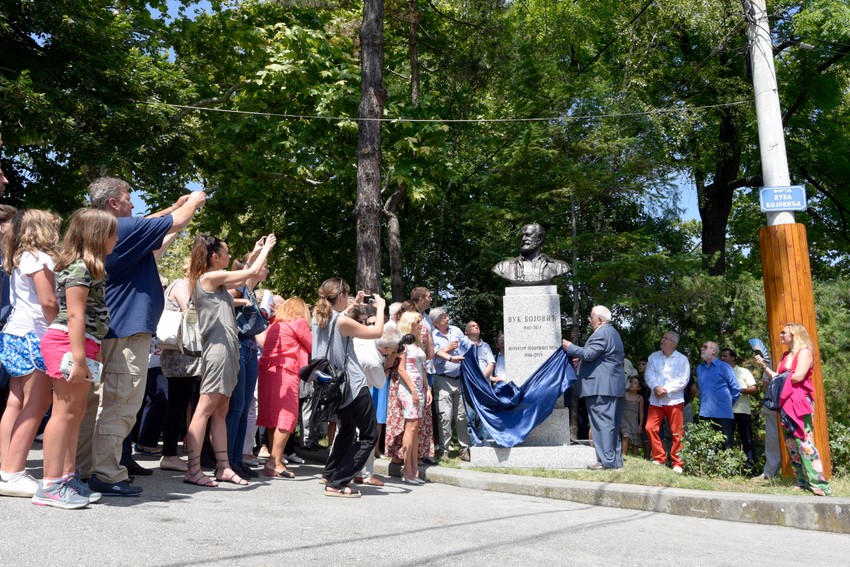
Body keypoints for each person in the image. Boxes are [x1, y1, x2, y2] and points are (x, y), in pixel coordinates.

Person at [82, 177, 206, 497]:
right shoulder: (121, 229)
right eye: (127, 198)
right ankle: (107, 474)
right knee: (120, 404)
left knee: (95, 404)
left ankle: (85, 467)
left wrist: (174, 208)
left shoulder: (102, 232)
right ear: (113, 204)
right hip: (126, 334)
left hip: (107, 332)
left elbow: (160, 228)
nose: (133, 204)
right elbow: (174, 222)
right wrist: (194, 200)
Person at [35, 209, 118, 508]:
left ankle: (67, 478)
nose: (116, 239)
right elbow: (74, 314)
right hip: (70, 344)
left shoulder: (91, 268)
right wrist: (79, 357)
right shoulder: (80, 268)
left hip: (84, 345)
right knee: (64, 414)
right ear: (97, 236)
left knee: (75, 414)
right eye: (112, 233)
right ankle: (50, 485)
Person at [182, 234, 276, 488]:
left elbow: (246, 277)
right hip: (217, 351)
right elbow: (250, 274)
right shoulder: (209, 278)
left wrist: (255, 252)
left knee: (221, 411)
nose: (228, 255)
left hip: (229, 351)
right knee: (204, 410)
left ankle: (223, 468)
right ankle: (193, 469)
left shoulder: (219, 284)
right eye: (225, 252)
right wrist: (265, 250)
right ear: (214, 256)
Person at [0, 210, 60, 498]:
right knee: (36, 404)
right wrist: (62, 325)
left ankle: (6, 466)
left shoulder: (20, 257)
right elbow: (48, 301)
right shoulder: (40, 259)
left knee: (15, 402)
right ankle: (13, 474)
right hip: (34, 335)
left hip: (14, 332)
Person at [313, 278, 385, 498]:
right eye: (349, 294)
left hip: (333, 384)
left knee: (346, 429)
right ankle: (337, 483)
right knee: (369, 435)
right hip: (351, 384)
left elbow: (339, 318)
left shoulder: (319, 318)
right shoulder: (342, 322)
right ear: (342, 295)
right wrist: (380, 308)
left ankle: (330, 472)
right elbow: (377, 332)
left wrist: (354, 305)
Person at [755, 323, 831, 496]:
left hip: (799, 401)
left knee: (804, 442)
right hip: (784, 401)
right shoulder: (785, 355)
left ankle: (819, 483)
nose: (781, 335)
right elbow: (777, 377)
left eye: (784, 333)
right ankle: (802, 481)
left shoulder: (804, 352)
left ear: (795, 334)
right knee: (791, 443)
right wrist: (763, 367)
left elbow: (798, 376)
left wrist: (781, 377)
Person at [562, 306, 625, 470]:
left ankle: (605, 462)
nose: (589, 320)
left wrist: (570, 348)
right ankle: (614, 460)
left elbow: (589, 354)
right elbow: (600, 359)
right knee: (611, 425)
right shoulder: (612, 332)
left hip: (601, 388)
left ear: (600, 320)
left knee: (601, 425)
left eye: (591, 317)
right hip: (611, 387)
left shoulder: (602, 333)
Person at [226, 249, 270, 480]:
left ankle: (237, 458)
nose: (267, 267)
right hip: (239, 348)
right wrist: (261, 251)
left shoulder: (251, 290)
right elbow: (224, 298)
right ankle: (228, 461)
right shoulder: (240, 285)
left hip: (251, 350)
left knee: (243, 409)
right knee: (236, 408)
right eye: (264, 263)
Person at [256, 297, 311, 479]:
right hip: (286, 372)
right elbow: (313, 345)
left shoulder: (275, 325)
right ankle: (275, 462)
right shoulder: (298, 323)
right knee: (286, 419)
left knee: (274, 419)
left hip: (268, 372)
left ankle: (274, 460)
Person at [644, 331, 689, 473]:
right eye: (663, 337)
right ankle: (659, 458)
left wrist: (666, 389)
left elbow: (684, 379)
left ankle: (678, 463)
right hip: (656, 399)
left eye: (666, 338)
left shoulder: (682, 359)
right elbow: (648, 374)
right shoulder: (653, 356)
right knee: (650, 427)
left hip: (674, 400)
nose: (662, 340)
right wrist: (656, 387)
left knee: (677, 432)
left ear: (674, 343)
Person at [430, 307, 472, 461]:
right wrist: (447, 349)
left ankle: (464, 449)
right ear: (436, 322)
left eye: (447, 317)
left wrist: (472, 345)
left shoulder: (455, 330)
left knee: (462, 416)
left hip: (460, 379)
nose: (447, 319)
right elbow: (432, 359)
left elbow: (467, 345)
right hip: (442, 379)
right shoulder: (432, 335)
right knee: (445, 416)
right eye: (444, 317)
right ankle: (444, 450)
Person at [396, 311, 430, 484]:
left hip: (419, 389)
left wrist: (427, 388)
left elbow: (422, 368)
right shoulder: (404, 343)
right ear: (410, 324)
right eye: (418, 322)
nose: (421, 325)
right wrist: (413, 390)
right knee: (411, 426)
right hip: (408, 389)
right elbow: (401, 369)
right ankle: (407, 469)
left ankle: (413, 469)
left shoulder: (417, 344)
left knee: (415, 426)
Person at [695, 341, 740, 449]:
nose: (702, 349)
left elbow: (736, 389)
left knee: (725, 447)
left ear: (714, 351)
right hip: (705, 413)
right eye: (702, 346)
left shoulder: (724, 367)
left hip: (723, 414)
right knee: (707, 447)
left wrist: (727, 404)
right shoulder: (700, 368)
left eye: (705, 347)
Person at [492, 223, 570, 286]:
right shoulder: (503, 266)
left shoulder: (560, 266)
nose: (523, 239)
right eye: (522, 236)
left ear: (539, 239)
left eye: (528, 235)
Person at [720, 348, 758, 470]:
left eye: (725, 356)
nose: (722, 359)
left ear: (733, 358)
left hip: (742, 411)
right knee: (726, 440)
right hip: (725, 412)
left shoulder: (743, 371)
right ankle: (727, 467)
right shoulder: (719, 372)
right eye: (722, 356)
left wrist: (738, 390)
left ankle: (751, 466)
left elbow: (754, 389)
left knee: (747, 439)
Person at [620, 377, 644, 457]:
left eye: (635, 383)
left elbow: (641, 412)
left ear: (639, 388)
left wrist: (640, 425)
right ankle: (623, 455)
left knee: (635, 440)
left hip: (633, 421)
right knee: (625, 435)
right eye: (631, 382)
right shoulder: (624, 394)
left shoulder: (640, 398)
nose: (632, 384)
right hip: (623, 418)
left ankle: (635, 458)